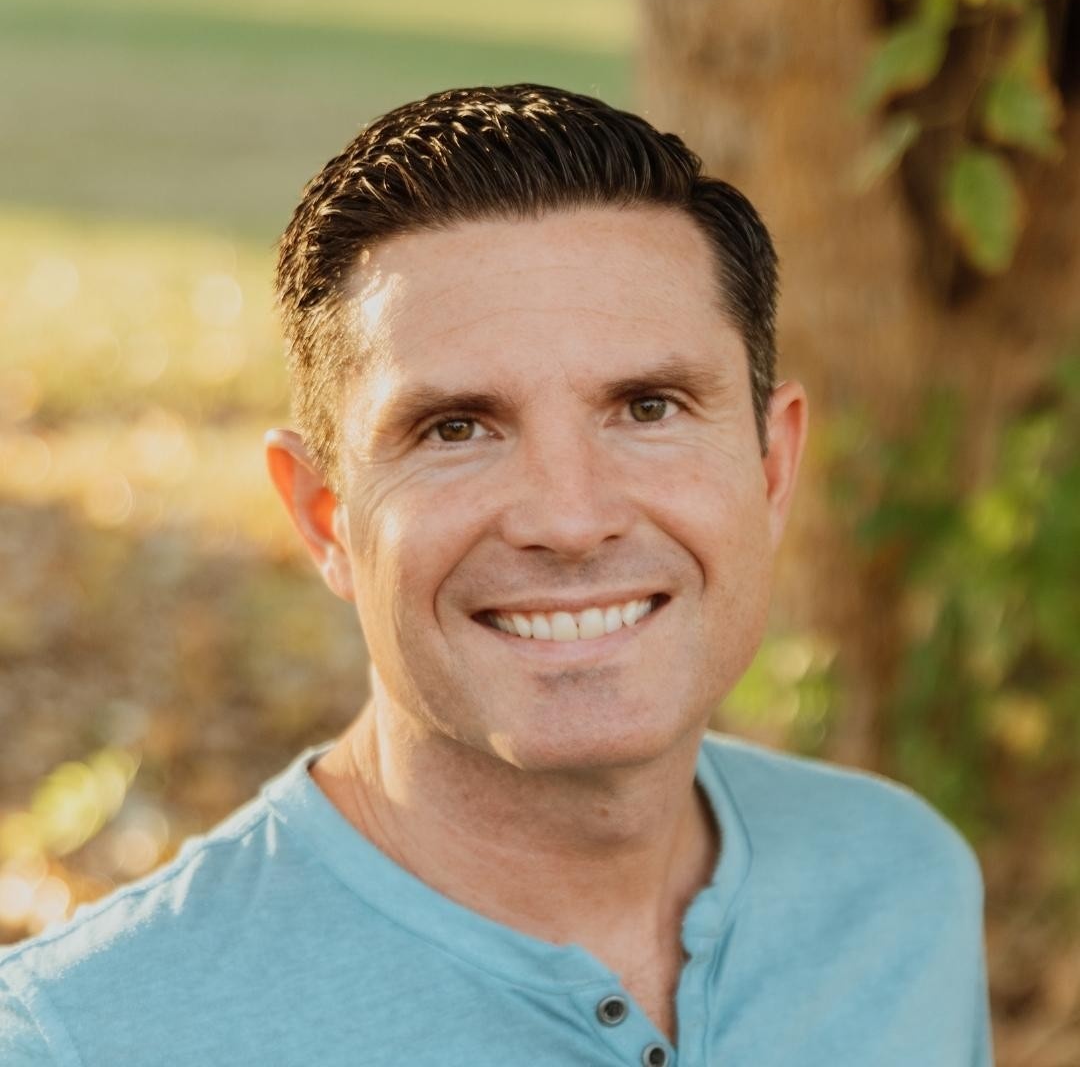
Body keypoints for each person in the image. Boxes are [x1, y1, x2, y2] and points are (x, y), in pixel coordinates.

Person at [0, 84, 991, 1066]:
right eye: (456, 429)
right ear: (324, 515)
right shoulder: (84, 1039)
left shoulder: (902, 892)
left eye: (648, 408)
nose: (570, 520)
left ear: (771, 469)